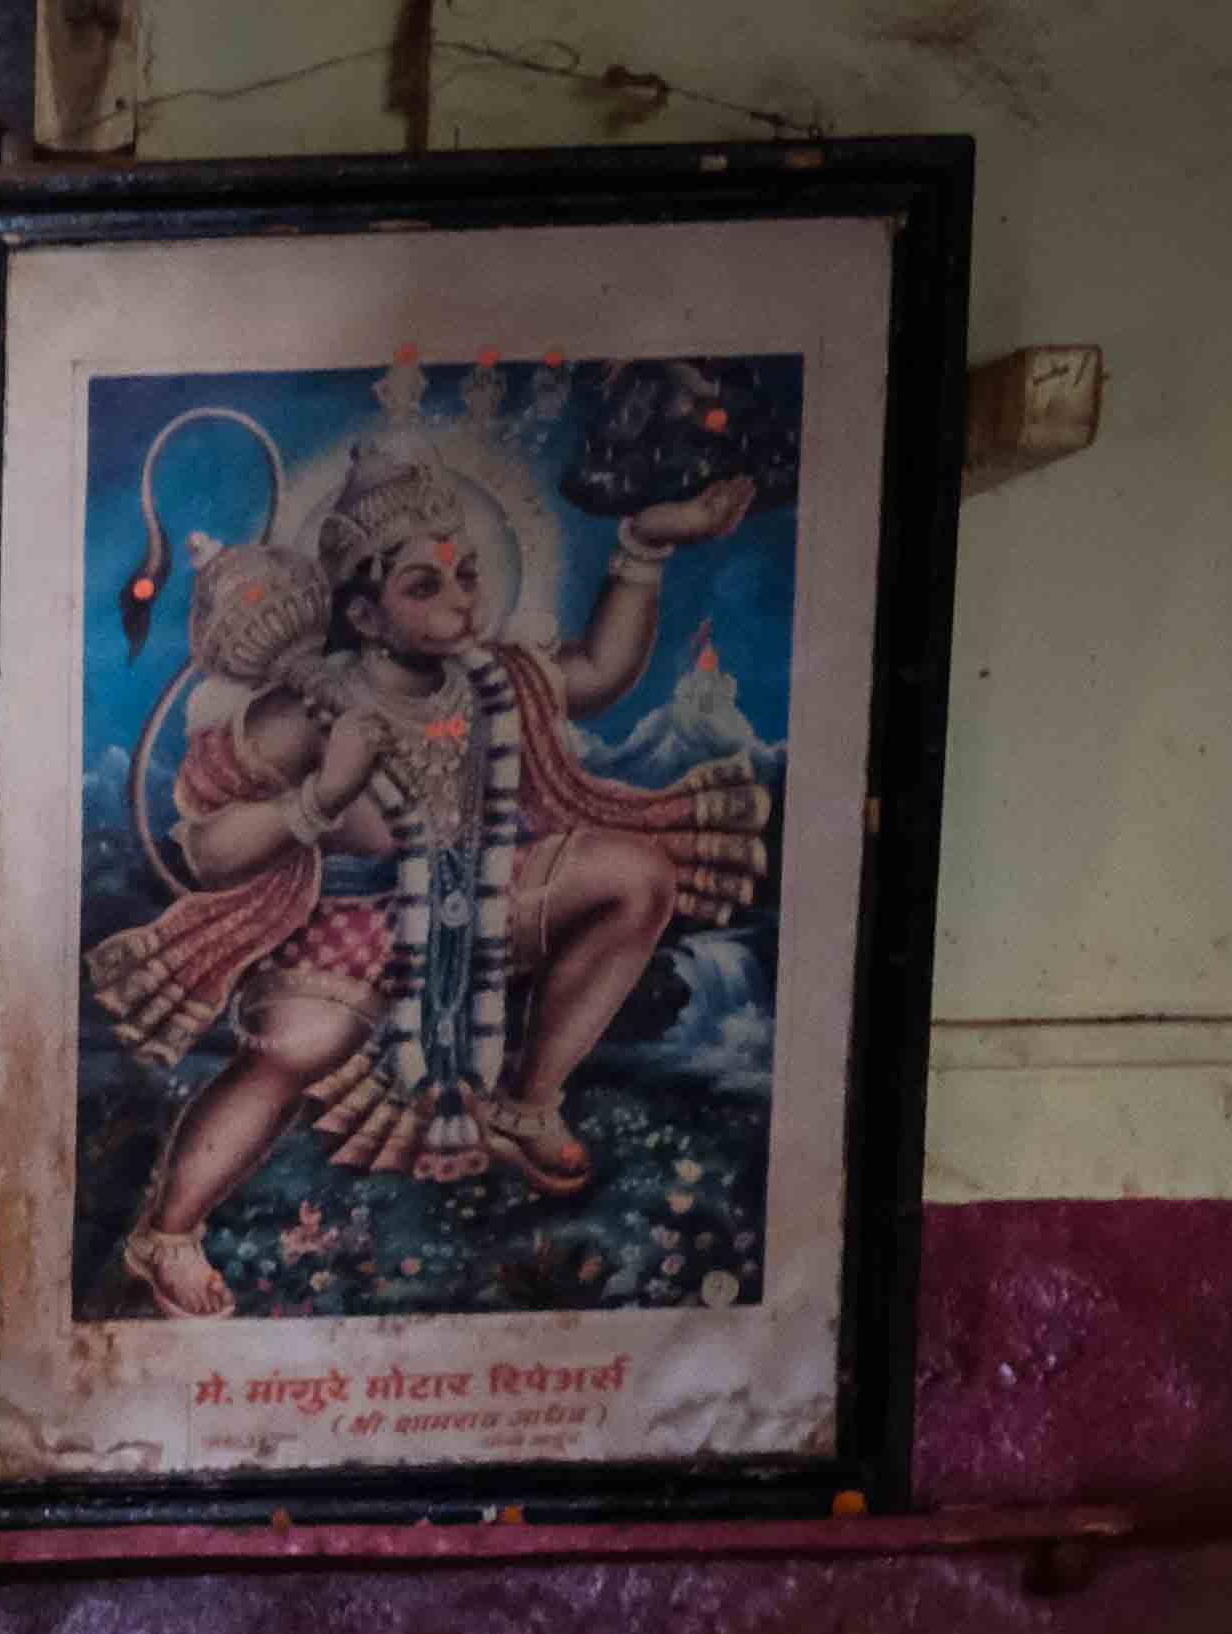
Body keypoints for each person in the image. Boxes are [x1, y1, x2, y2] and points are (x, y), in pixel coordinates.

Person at [87, 432, 778, 1319]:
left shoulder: (495, 680)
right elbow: (207, 849)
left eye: (467, 575)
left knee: (636, 877)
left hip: (486, 892)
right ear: (365, 617)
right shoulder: (307, 707)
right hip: (360, 924)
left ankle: (527, 1104)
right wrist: (319, 799)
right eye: (425, 585)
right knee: (294, 1047)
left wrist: (645, 542)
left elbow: (603, 672)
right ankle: (170, 1229)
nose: (460, 601)